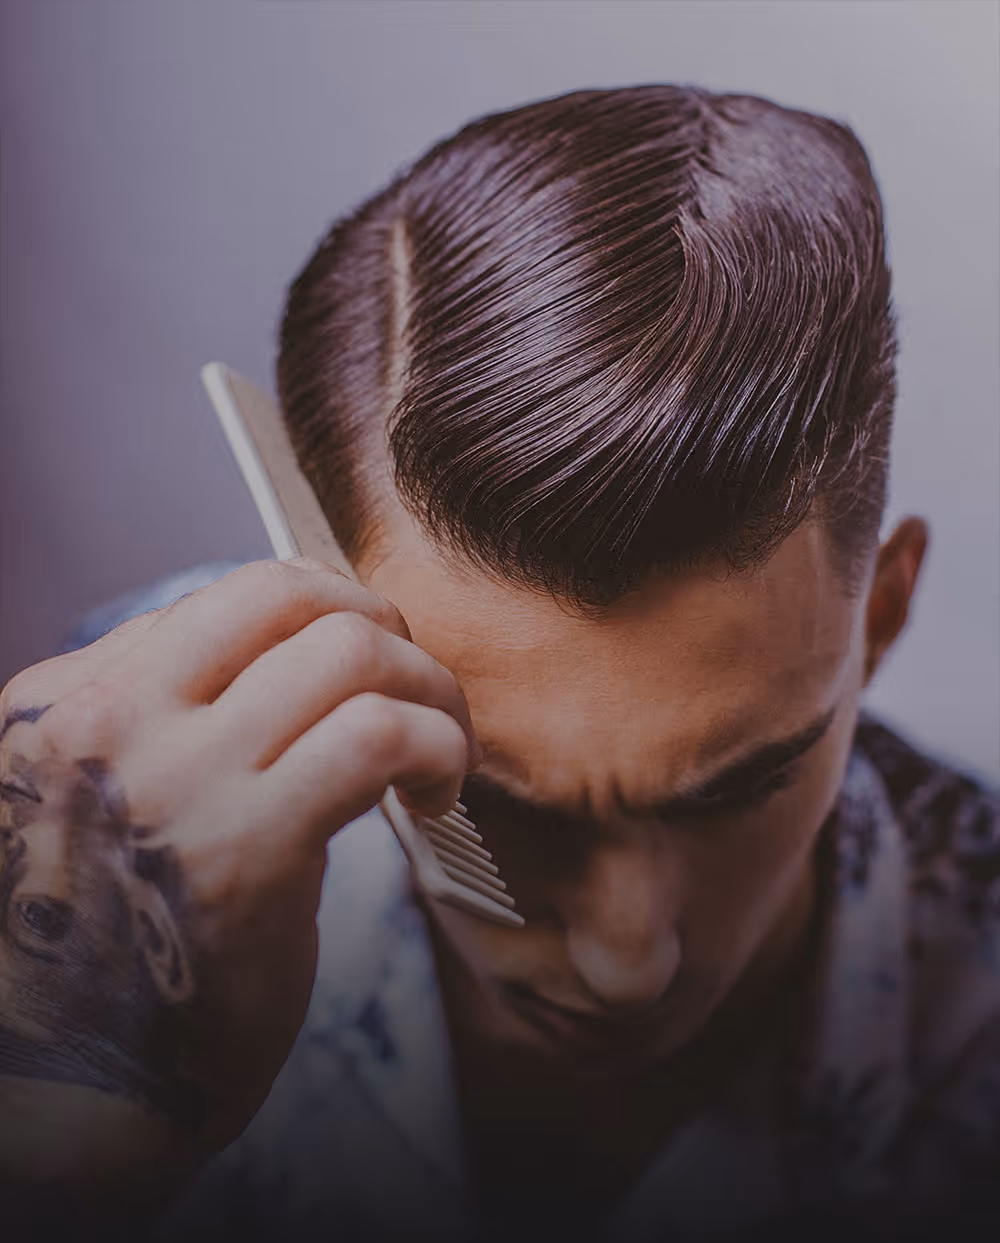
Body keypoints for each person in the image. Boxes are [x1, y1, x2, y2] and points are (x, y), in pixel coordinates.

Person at [1, 86, 998, 1243]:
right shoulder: (71, 815)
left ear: (879, 610)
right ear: (313, 566)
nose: (628, 960)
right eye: (489, 802)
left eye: (736, 789)